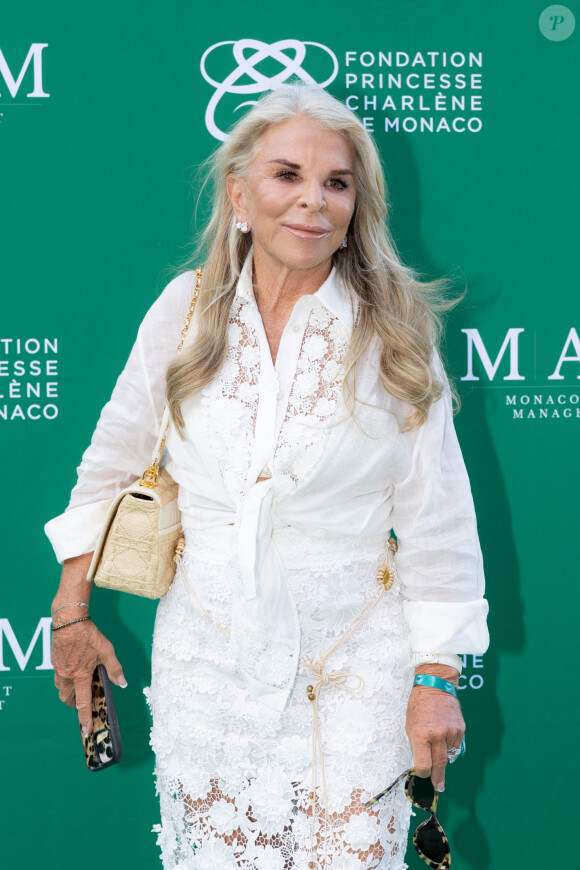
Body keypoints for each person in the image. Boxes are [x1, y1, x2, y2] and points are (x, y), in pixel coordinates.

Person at [46, 84, 489, 870]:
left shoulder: (395, 334)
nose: (313, 202)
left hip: (353, 671)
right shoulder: (184, 311)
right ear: (240, 193)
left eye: (337, 182)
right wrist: (72, 613)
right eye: (288, 176)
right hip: (209, 666)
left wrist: (436, 674)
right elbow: (109, 466)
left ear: (359, 205)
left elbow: (438, 519)